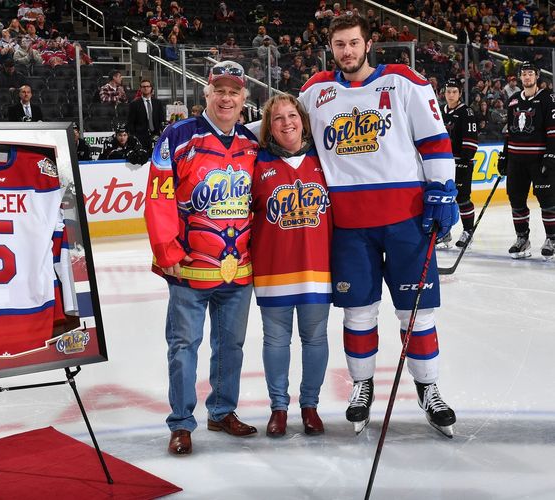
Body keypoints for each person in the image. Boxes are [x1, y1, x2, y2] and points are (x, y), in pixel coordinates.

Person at [298, 14, 458, 437]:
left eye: (353, 43)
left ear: (368, 45)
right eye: (339, 44)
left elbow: (435, 142)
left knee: (417, 314)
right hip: (349, 227)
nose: (346, 51)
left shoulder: (405, 81)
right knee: (358, 312)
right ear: (330, 48)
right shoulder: (315, 91)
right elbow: (289, 137)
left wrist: (443, 191)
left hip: (407, 221)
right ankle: (362, 386)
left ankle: (429, 389)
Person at [144, 61, 258, 456]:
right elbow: (158, 195)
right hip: (190, 269)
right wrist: (166, 250)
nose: (226, 98)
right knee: (183, 347)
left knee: (231, 346)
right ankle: (181, 423)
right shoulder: (177, 137)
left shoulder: (250, 143)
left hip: (238, 269)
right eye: (219, 91)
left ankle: (222, 411)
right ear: (206, 94)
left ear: (244, 97)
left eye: (234, 91)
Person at [251, 93, 332, 438]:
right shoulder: (257, 162)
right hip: (273, 270)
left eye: (292, 116)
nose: (287, 123)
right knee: (275, 341)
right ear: (268, 127)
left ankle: (310, 406)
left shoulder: (325, 160)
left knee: (315, 339)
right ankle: (279, 408)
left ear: (304, 120)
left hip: (317, 269)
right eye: (278, 118)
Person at [497, 61, 555, 260]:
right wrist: (504, 155)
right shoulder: (513, 100)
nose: (527, 77)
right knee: (516, 199)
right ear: (520, 77)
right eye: (524, 74)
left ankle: (552, 239)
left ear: (537, 76)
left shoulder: (548, 99)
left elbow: (553, 132)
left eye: (531, 73)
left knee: (547, 200)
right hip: (516, 160)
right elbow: (509, 133)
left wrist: (551, 155)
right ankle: (522, 238)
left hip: (539, 160)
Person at [439, 78, 478, 249]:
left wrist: (464, 159)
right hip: (442, 162)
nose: (451, 95)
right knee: (442, 198)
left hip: (460, 162)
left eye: (454, 92)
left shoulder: (467, 112)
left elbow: (471, 141)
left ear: (460, 94)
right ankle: (444, 232)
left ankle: (468, 231)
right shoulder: (440, 111)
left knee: (462, 198)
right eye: (448, 91)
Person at [127, 78, 165, 150]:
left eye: (148, 86)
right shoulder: (134, 104)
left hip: (156, 136)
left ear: (151, 88)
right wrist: (135, 137)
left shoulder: (158, 103)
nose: (146, 88)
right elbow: (130, 123)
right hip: (140, 137)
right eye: (143, 87)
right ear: (140, 89)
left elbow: (162, 119)